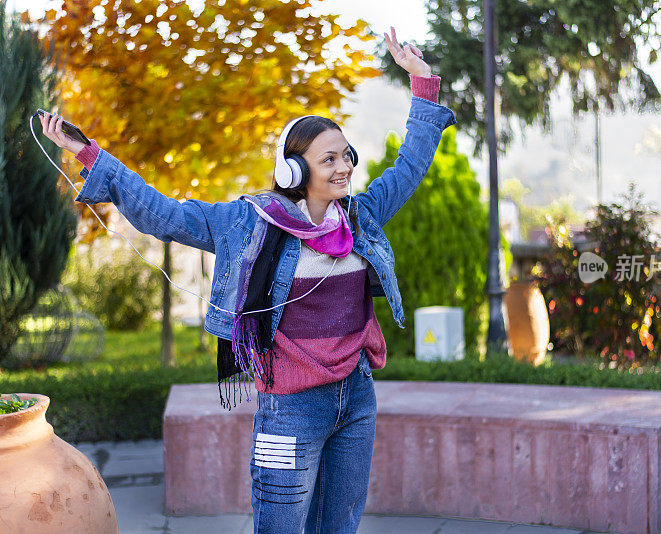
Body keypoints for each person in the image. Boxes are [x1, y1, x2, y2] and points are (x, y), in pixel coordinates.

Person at [40, 27, 455, 534]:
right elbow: (165, 214)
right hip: (288, 410)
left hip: (356, 398)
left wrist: (423, 83)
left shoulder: (361, 218)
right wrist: (90, 156)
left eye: (347, 155)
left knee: (340, 527)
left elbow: (409, 165)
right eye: (329, 158)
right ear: (292, 170)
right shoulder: (248, 224)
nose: (344, 167)